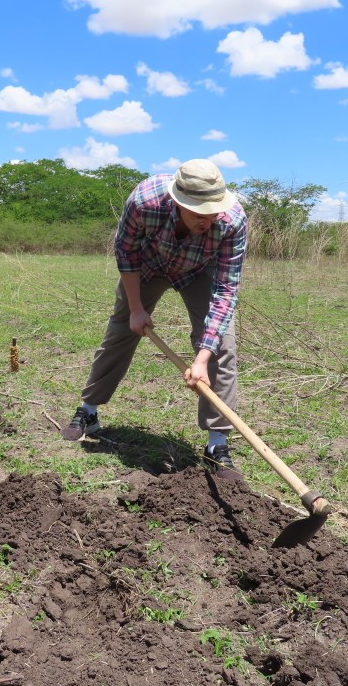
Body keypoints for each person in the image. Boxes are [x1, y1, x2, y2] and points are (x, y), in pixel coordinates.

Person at [63, 160, 248, 480]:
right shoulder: (144, 201)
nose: (207, 220)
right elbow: (126, 252)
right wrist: (136, 308)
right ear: (178, 203)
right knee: (120, 332)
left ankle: (216, 444)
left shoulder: (232, 221)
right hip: (148, 266)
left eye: (212, 212)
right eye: (199, 213)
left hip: (200, 270)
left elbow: (226, 291)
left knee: (222, 347)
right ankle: (89, 411)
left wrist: (202, 358)